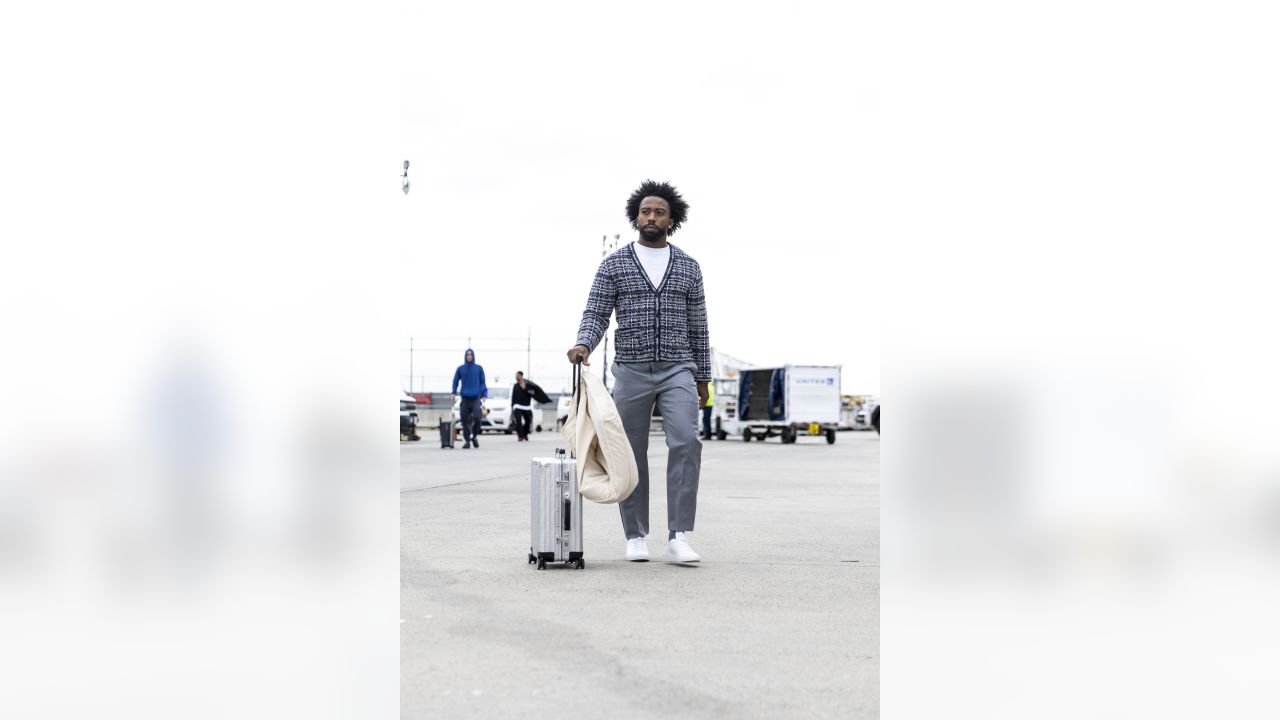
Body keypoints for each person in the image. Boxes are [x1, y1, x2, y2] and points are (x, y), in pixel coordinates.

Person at [566, 180, 710, 564]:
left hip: (679, 367)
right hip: (630, 368)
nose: (651, 217)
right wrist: (584, 343)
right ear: (636, 216)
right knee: (628, 452)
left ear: (671, 219)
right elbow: (596, 312)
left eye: (659, 212)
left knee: (686, 442)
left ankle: (678, 535)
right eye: (645, 211)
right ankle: (635, 535)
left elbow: (699, 325)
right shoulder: (614, 264)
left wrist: (703, 378)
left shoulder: (688, 267)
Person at [451, 348, 487, 449]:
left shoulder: (479, 368)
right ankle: (467, 441)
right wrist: (453, 392)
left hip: (475, 398)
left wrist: (484, 393)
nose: (469, 357)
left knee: (477, 417)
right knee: (464, 420)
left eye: (471, 355)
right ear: (465, 356)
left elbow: (482, 382)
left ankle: (474, 436)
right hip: (465, 399)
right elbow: (455, 381)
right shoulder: (460, 369)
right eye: (468, 355)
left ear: (473, 356)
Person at [510, 371, 550, 441]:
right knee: (518, 422)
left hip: (526, 406)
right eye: (516, 376)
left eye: (517, 375)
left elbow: (533, 392)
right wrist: (512, 406)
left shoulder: (528, 385)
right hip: (517, 406)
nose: (516, 377)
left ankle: (525, 434)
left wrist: (525, 389)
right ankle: (520, 436)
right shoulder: (515, 385)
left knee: (528, 421)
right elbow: (513, 396)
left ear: (521, 376)